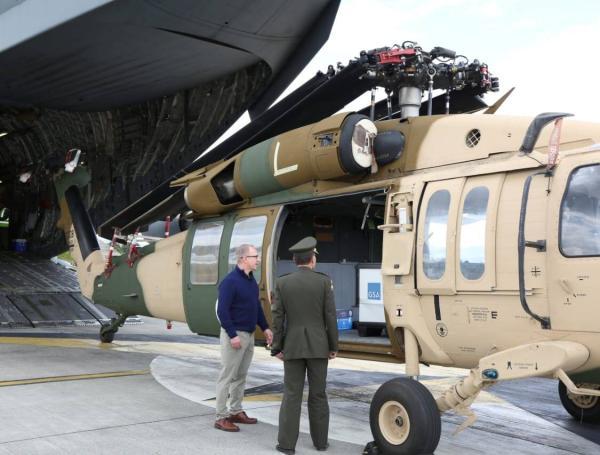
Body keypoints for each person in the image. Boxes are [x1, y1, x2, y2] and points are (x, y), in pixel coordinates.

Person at [271, 236, 339, 454]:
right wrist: (333, 346)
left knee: (291, 395)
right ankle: (320, 442)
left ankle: (286, 445)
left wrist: (277, 347)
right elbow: (330, 317)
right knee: (318, 394)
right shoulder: (323, 282)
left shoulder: (282, 282)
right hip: (319, 347)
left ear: (294, 259)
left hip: (292, 346)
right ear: (313, 260)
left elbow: (278, 318)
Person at [214, 243, 273, 432]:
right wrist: (232, 335)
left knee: (241, 376)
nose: (258, 260)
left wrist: (265, 328)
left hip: (248, 336)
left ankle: (236, 411)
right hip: (235, 336)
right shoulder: (230, 282)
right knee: (227, 376)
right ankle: (221, 417)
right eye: (255, 256)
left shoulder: (250, 282)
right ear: (243, 259)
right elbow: (222, 311)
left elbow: (255, 308)